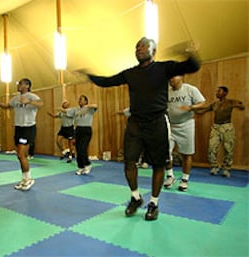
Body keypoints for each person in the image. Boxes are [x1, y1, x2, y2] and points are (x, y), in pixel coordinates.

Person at [79, 37, 200, 221]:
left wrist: (191, 53)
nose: (139, 49)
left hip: (157, 122)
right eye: (137, 47)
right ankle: (136, 198)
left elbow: (191, 66)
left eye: (143, 46)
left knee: (158, 164)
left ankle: (153, 203)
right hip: (135, 123)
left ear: (153, 50)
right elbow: (107, 81)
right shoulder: (130, 73)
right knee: (129, 162)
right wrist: (89, 75)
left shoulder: (164, 68)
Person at [0, 78, 43, 191]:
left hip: (28, 128)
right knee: (22, 156)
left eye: (20, 83)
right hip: (18, 129)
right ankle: (24, 179)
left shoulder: (32, 96)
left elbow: (41, 104)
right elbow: (8, 106)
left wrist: (29, 102)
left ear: (27, 85)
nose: (18, 85)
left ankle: (29, 179)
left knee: (21, 155)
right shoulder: (15, 98)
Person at [163, 75, 206, 192]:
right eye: (169, 78)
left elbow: (203, 103)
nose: (170, 79)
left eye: (173, 77)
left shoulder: (190, 89)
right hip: (170, 125)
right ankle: (170, 176)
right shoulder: (166, 91)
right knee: (165, 153)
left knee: (187, 154)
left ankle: (184, 180)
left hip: (186, 124)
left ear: (180, 77)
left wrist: (191, 107)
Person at [195, 86, 245, 177]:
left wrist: (239, 105)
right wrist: (192, 109)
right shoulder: (214, 104)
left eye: (219, 91)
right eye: (216, 91)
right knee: (212, 147)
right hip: (216, 127)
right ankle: (214, 166)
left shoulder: (230, 102)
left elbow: (242, 106)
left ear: (225, 93)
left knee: (228, 149)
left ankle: (226, 169)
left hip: (227, 127)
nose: (217, 93)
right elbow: (202, 111)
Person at [63, 95, 97, 174]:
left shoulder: (89, 109)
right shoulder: (75, 109)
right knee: (78, 149)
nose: (79, 101)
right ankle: (80, 167)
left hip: (86, 130)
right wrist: (61, 109)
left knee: (83, 148)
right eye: (79, 100)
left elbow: (95, 106)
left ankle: (87, 164)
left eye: (81, 100)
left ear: (86, 101)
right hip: (78, 130)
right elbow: (67, 111)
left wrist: (87, 107)